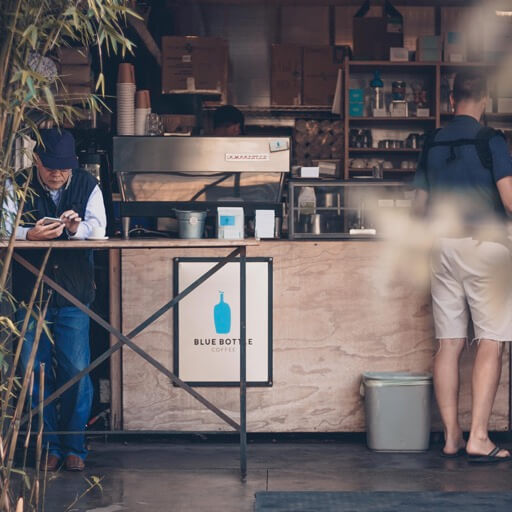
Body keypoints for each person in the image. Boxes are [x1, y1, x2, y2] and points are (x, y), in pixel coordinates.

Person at [413, 70, 512, 463]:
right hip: (486, 247)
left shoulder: (432, 141)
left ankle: (452, 436)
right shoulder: (491, 140)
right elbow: (509, 200)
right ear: (484, 99)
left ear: (451, 99)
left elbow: (418, 208)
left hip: (443, 249)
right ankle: (479, 438)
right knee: (491, 340)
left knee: (449, 343)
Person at [3, 128, 106, 472]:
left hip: (73, 292)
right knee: (33, 372)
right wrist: (28, 234)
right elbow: (4, 228)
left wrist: (76, 230)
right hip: (30, 294)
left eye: (64, 168)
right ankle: (46, 447)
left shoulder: (88, 185)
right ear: (37, 160)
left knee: (76, 372)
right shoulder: (18, 183)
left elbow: (99, 229)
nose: (58, 174)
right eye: (51, 167)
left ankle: (74, 446)